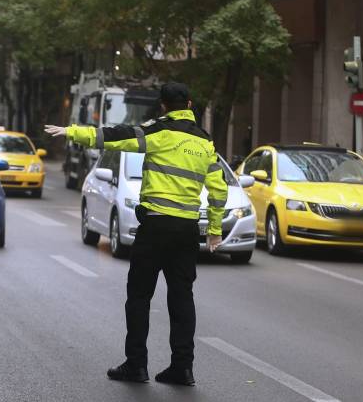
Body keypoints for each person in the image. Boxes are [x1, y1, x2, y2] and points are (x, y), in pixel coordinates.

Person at [45, 82, 228, 387]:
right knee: (182, 298)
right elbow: (219, 188)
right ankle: (182, 368)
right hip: (185, 231)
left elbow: (117, 137)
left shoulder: (158, 131)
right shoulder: (205, 142)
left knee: (139, 297)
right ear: (191, 104)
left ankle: (136, 365)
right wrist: (214, 230)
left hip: (155, 227)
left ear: (163, 106)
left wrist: (73, 132)